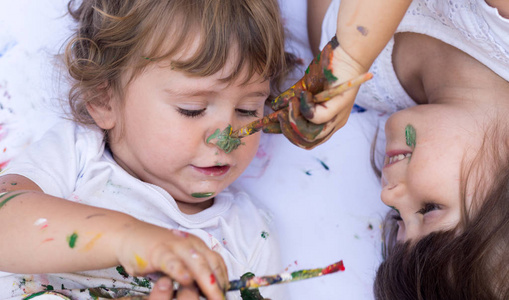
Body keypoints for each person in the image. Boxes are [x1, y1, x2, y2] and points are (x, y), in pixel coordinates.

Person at [0, 0, 296, 299]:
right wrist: (127, 240)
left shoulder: (248, 236)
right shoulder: (78, 153)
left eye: (247, 110)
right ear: (105, 100)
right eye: (191, 109)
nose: (226, 137)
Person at [314, 0, 509, 298]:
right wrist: (353, 56)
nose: (388, 194)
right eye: (429, 209)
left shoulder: (368, 86)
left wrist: (345, 62)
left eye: (399, 219)